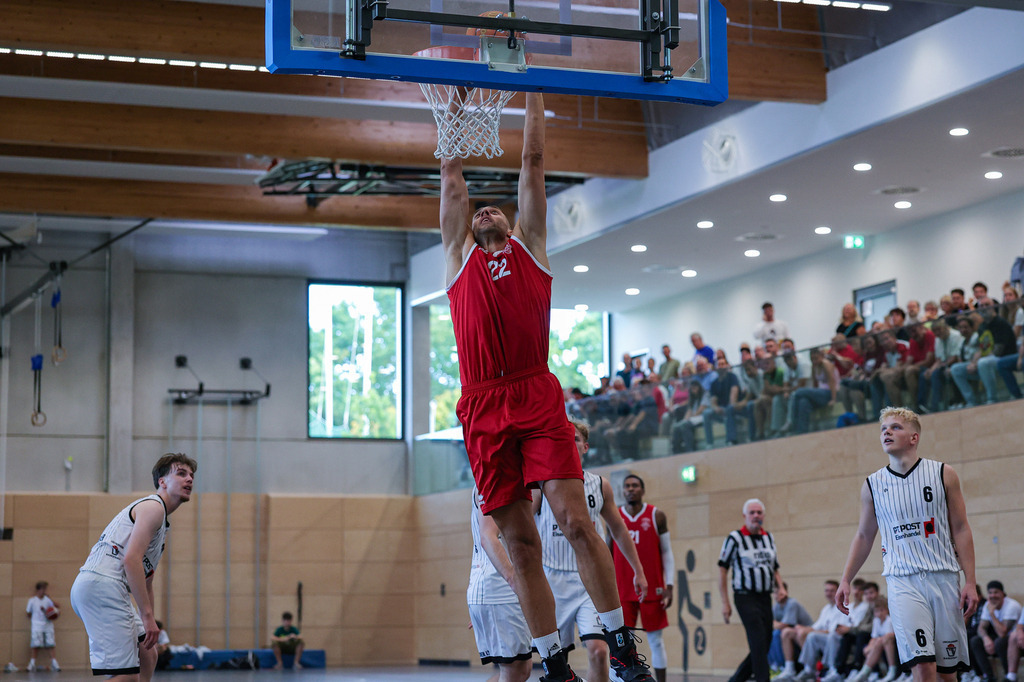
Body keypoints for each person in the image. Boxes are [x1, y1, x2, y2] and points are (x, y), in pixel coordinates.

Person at [440, 92, 652, 682]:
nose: (485, 210)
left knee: (576, 521)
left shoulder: (530, 245)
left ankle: (620, 641)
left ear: (512, 222)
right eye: (478, 211)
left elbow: (532, 160)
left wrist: (531, 89)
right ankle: (554, 663)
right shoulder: (457, 258)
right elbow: (452, 176)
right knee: (521, 544)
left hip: (535, 394)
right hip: (482, 403)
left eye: (495, 209)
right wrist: (451, 105)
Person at [836, 407, 978, 682]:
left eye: (895, 427)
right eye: (883, 428)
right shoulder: (872, 485)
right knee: (922, 666)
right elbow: (864, 535)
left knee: (947, 674)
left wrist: (970, 581)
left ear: (914, 437)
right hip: (902, 582)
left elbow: (961, 528)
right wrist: (846, 579)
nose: (886, 432)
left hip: (944, 578)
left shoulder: (943, 474)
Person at [534, 420, 649, 682]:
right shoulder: (541, 483)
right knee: (559, 665)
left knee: (599, 650)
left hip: (589, 581)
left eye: (575, 439)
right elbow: (522, 533)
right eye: (564, 438)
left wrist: (639, 571)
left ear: (585, 447)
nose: (570, 443)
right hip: (552, 581)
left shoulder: (599, 484)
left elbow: (619, 530)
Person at [70, 453, 196, 682]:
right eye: (181, 473)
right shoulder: (153, 507)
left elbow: (147, 581)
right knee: (127, 677)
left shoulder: (160, 523)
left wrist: (150, 621)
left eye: (191, 475)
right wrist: (146, 616)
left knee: (148, 654)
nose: (189, 479)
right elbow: (131, 560)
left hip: (103, 587)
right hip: (102, 586)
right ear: (162, 481)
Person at [615, 474, 675, 682]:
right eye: (627, 486)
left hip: (652, 587)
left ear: (642, 490)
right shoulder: (615, 516)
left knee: (656, 641)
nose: (631, 489)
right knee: (622, 645)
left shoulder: (656, 515)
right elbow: (607, 552)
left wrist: (669, 586)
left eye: (635, 485)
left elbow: (666, 552)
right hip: (623, 589)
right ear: (623, 491)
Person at [470, 486, 533, 682]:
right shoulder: (494, 479)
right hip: (499, 588)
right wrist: (515, 583)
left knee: (521, 669)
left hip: (495, 590)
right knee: (513, 670)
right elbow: (487, 537)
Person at [718, 499, 783, 682]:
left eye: (759, 512)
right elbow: (722, 570)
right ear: (744, 516)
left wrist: (781, 587)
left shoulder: (768, 537)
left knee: (765, 642)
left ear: (763, 515)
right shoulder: (735, 538)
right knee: (758, 640)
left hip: (765, 597)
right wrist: (725, 603)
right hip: (745, 597)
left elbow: (774, 567)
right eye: (752, 513)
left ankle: (736, 680)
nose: (756, 516)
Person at [968, 580, 1021, 682]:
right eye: (990, 593)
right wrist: (986, 639)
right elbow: (981, 628)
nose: (993, 595)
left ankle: (1009, 677)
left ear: (1002, 593)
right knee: (975, 641)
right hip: (999, 637)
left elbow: (1003, 633)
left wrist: (992, 613)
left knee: (999, 642)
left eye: (996, 592)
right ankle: (988, 677)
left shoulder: (1012, 606)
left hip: (1014, 639)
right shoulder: (988, 604)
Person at [26, 581, 61, 672]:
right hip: (37, 626)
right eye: (43, 589)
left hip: (48, 625)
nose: (44, 591)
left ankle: (54, 663)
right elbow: (28, 613)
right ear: (38, 590)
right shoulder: (32, 600)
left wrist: (51, 604)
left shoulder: (48, 600)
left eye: (45, 589)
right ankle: (32, 664)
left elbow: (57, 607)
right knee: (36, 645)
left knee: (51, 644)